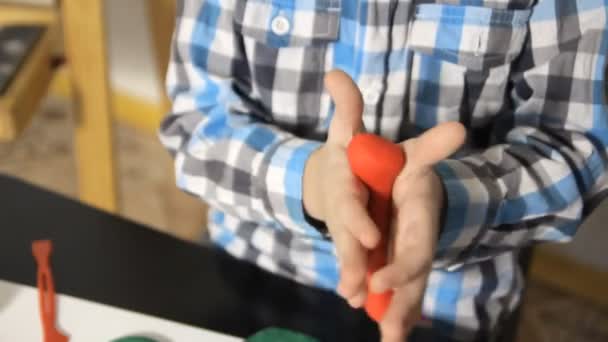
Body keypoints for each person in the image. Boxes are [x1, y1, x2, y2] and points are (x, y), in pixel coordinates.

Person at [159, 1, 608, 341]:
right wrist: (309, 181)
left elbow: (576, 147)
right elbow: (197, 121)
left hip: (447, 307)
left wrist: (450, 201)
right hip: (250, 263)